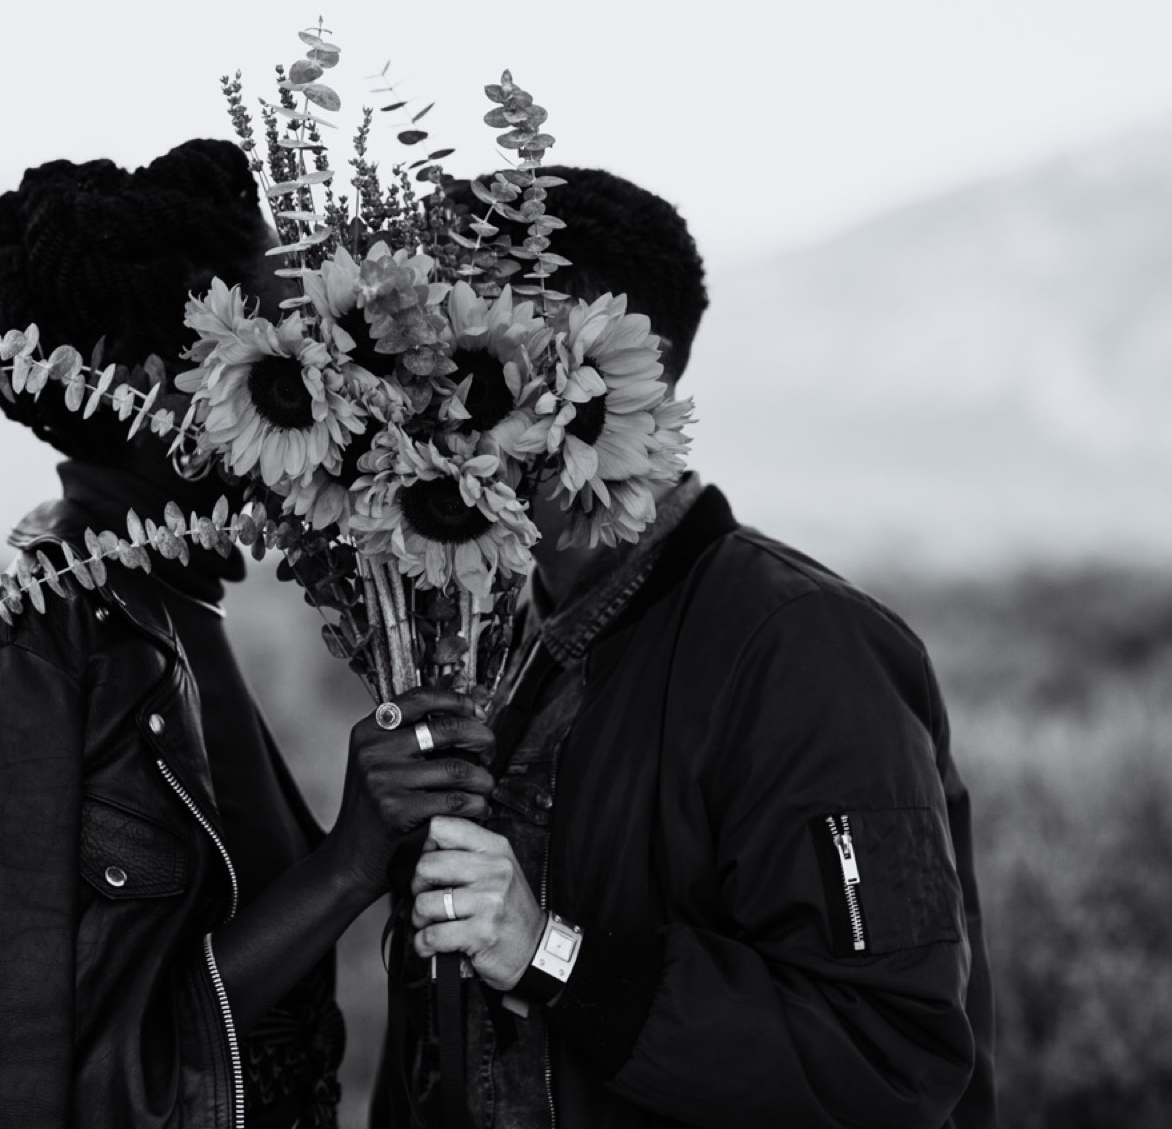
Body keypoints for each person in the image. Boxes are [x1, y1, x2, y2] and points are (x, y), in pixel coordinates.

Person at [0, 139, 498, 1129]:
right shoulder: (32, 666)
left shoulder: (173, 612)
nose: (309, 381)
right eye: (261, 350)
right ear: (139, 380)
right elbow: (42, 1083)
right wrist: (347, 861)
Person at [372, 168, 998, 1128]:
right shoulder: (482, 649)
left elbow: (890, 1055)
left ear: (612, 385)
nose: (431, 399)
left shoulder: (803, 651)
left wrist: (550, 954)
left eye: (470, 361)